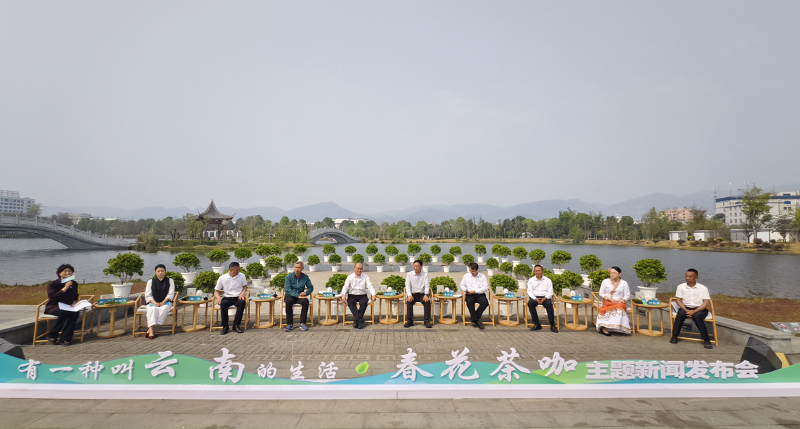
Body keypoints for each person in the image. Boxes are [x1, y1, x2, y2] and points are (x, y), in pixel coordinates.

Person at [670, 268, 713, 349]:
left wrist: (695, 311)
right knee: (680, 314)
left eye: (690, 277)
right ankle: (674, 336)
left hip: (700, 309)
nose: (687, 278)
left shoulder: (703, 288)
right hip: (685, 307)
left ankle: (706, 339)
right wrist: (686, 310)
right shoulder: (680, 287)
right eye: (686, 276)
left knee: (697, 316)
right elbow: (678, 301)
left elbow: (705, 303)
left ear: (696, 278)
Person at [45, 264, 80, 345]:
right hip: (54, 306)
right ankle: (53, 335)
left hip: (68, 306)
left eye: (70, 271)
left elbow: (75, 295)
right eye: (65, 271)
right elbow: (53, 297)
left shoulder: (74, 284)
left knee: (75, 313)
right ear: (60, 273)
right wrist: (65, 288)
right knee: (65, 312)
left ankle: (65, 338)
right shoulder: (53, 284)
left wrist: (74, 302)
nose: (67, 273)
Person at [213, 262, 248, 335]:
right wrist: (218, 297)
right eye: (236, 270)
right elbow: (216, 291)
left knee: (242, 303)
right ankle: (225, 326)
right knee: (223, 304)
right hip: (227, 297)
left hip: (238, 297)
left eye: (239, 269)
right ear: (231, 270)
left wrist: (242, 293)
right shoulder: (222, 278)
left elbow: (244, 287)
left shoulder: (242, 276)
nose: (238, 271)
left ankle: (236, 325)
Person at [595, 266, 631, 336]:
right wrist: (608, 298)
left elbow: (627, 295)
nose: (612, 274)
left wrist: (622, 300)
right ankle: (604, 326)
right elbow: (601, 293)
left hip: (619, 303)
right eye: (611, 273)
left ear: (619, 274)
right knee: (609, 309)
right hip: (608, 302)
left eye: (614, 273)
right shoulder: (605, 281)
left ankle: (616, 326)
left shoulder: (624, 283)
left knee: (619, 308)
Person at [143, 264, 175, 339]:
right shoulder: (150, 281)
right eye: (158, 271)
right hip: (153, 302)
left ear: (165, 272)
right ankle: (151, 331)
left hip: (166, 302)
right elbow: (148, 294)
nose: (160, 273)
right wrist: (154, 303)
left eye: (162, 271)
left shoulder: (170, 281)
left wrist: (163, 302)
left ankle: (150, 329)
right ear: (155, 272)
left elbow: (171, 293)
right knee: (152, 310)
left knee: (164, 309)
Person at [341, 262, 376, 329]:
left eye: (361, 269)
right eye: (358, 268)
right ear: (354, 268)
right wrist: (343, 295)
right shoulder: (350, 277)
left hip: (362, 295)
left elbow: (370, 286)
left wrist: (373, 294)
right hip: (352, 295)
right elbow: (345, 286)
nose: (359, 270)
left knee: (364, 302)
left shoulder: (366, 277)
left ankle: (356, 320)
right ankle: (360, 320)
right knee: (350, 302)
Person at [284, 261, 314, 331]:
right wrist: (297, 295)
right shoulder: (289, 277)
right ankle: (289, 324)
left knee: (305, 301)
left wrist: (306, 293)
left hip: (300, 296)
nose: (297, 269)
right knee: (288, 301)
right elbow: (287, 289)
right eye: (296, 267)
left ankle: (302, 323)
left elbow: (311, 287)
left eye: (299, 268)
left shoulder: (305, 277)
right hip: (290, 295)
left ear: (302, 268)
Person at [526, 265, 557, 333]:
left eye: (539, 270)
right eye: (536, 271)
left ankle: (552, 324)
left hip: (545, 297)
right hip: (535, 297)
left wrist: (545, 298)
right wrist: (535, 298)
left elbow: (550, 291)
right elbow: (529, 291)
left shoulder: (548, 280)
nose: (538, 272)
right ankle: (536, 323)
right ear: (534, 272)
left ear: (542, 271)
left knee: (549, 304)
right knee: (530, 303)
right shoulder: (531, 280)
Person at [460, 262, 489, 329]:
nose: (472, 273)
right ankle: (477, 320)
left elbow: (485, 287)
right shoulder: (466, 276)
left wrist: (475, 291)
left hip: (479, 293)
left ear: (477, 270)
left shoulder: (482, 276)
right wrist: (466, 289)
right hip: (470, 294)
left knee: (485, 302)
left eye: (473, 271)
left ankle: (474, 319)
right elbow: (462, 285)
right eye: (471, 271)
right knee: (469, 302)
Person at [404, 260, 432, 328]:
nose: (415, 268)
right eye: (414, 266)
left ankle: (426, 320)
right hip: (413, 294)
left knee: (427, 301)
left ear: (421, 267)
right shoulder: (409, 274)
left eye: (417, 266)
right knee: (409, 301)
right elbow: (407, 286)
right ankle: (409, 320)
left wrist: (426, 294)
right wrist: (409, 295)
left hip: (422, 294)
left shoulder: (425, 274)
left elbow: (427, 286)